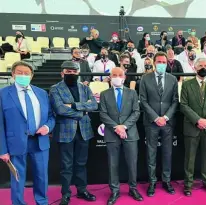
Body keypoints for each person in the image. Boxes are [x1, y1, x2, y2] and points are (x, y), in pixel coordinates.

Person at [0, 61, 55, 205]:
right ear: (13, 74)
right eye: (19, 72)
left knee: (41, 176)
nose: (23, 75)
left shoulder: (42, 93)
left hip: (40, 141)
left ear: (32, 76)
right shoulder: (3, 94)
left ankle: (42, 201)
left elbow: (51, 116)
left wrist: (47, 127)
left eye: (26, 73)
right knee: (18, 177)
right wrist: (2, 150)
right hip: (15, 142)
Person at [49, 61, 98, 205]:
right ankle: (66, 194)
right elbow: (60, 109)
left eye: (74, 71)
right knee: (66, 165)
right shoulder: (55, 89)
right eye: (68, 71)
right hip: (65, 131)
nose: (71, 74)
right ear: (62, 73)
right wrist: (82, 111)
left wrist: (75, 106)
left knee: (81, 163)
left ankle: (82, 190)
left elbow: (94, 105)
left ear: (78, 73)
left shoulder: (84, 88)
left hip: (84, 131)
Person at [99, 67, 143, 204]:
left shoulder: (132, 93)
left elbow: (136, 112)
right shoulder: (104, 94)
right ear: (110, 77)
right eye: (114, 75)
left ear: (124, 77)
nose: (117, 77)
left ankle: (133, 188)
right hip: (112, 134)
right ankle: (115, 191)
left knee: (132, 163)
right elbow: (103, 114)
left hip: (130, 133)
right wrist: (116, 127)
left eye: (120, 75)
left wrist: (123, 126)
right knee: (113, 164)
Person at [180, 57, 206, 196]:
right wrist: (198, 120)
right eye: (201, 66)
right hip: (192, 127)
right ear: (195, 68)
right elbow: (184, 105)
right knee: (189, 158)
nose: (203, 68)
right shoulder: (186, 84)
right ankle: (188, 185)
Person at [139, 52, 179, 197]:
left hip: (168, 122)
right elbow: (143, 100)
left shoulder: (173, 79)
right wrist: (156, 117)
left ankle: (167, 181)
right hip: (151, 122)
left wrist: (166, 117)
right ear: (154, 62)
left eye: (164, 62)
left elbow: (175, 101)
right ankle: (152, 181)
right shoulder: (145, 78)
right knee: (151, 153)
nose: (161, 64)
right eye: (159, 61)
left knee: (167, 152)